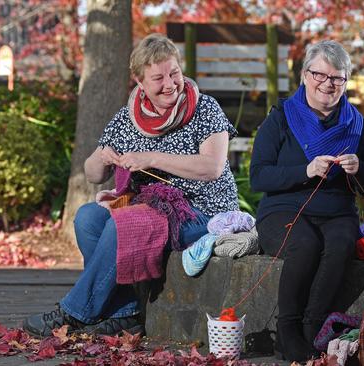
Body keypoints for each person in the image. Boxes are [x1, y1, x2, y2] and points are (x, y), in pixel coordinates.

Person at [23, 34, 239, 337]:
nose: (170, 84)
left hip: (203, 213)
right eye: (158, 78)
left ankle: (73, 313)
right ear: (139, 81)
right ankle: (126, 313)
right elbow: (92, 173)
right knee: (88, 218)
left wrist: (152, 158)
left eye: (174, 73)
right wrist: (102, 157)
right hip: (150, 208)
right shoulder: (129, 118)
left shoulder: (204, 108)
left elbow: (212, 167)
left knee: (123, 224)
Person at [250, 40, 364, 362]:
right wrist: (305, 169)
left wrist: (359, 168)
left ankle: (312, 330)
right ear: (304, 75)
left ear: (345, 82)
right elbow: (259, 176)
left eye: (337, 78)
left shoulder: (357, 123)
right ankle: (287, 330)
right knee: (305, 244)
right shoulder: (281, 117)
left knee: (340, 244)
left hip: (337, 212)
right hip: (282, 209)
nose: (327, 83)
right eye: (319, 75)